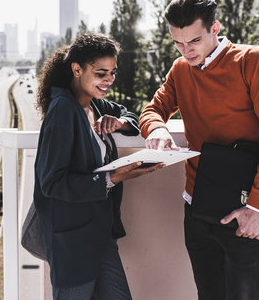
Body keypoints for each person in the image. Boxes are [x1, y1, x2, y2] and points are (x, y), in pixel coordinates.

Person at [139, 0, 259, 299]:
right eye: (178, 43)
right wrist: (157, 128)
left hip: (245, 209)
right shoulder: (180, 69)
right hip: (196, 209)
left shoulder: (252, 61)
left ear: (215, 28)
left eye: (194, 41)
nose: (186, 51)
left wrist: (257, 207)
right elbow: (152, 110)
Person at [34, 33, 164, 299]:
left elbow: (129, 113)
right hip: (72, 243)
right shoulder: (62, 111)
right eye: (101, 73)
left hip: (100, 235)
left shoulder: (92, 103)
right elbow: (52, 182)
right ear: (77, 69)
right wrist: (112, 178)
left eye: (113, 73)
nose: (109, 80)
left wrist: (120, 123)